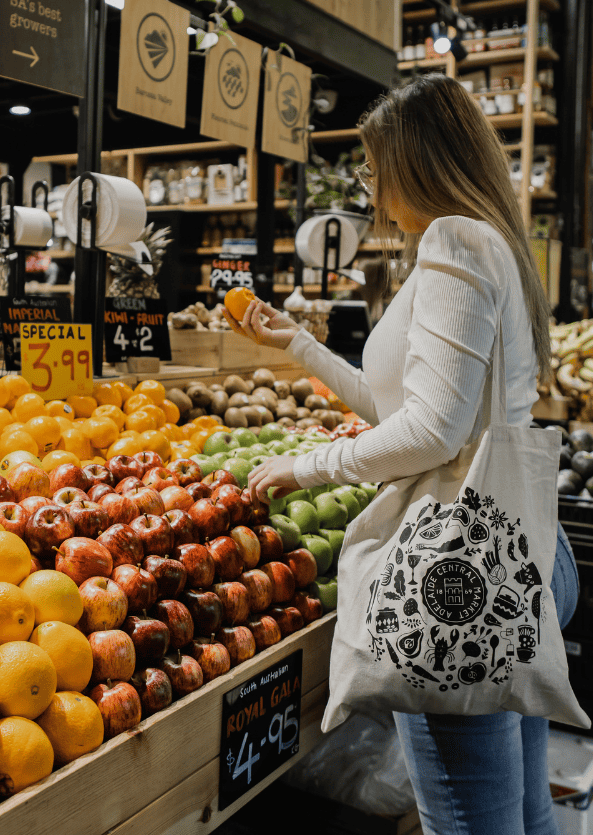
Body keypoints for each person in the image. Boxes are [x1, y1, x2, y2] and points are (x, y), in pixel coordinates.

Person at [224, 73, 579, 835]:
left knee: (468, 821)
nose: (372, 185)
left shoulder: (454, 239)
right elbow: (404, 410)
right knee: (521, 813)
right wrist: (302, 347)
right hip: (516, 546)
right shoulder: (489, 243)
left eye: (372, 164)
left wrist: (307, 467)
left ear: (413, 160)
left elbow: (434, 435)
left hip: (461, 568)